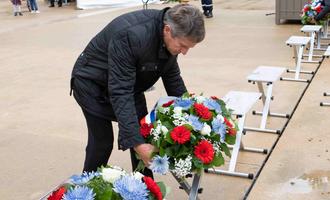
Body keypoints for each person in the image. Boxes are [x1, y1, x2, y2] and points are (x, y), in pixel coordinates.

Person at [70, 4, 205, 176]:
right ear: (167, 30)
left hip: (129, 83)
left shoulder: (173, 35)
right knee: (103, 142)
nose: (184, 52)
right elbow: (120, 92)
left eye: (189, 48)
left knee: (143, 132)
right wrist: (137, 144)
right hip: (92, 84)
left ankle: (146, 190)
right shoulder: (131, 36)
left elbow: (173, 79)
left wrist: (192, 115)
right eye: (183, 46)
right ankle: (86, 187)